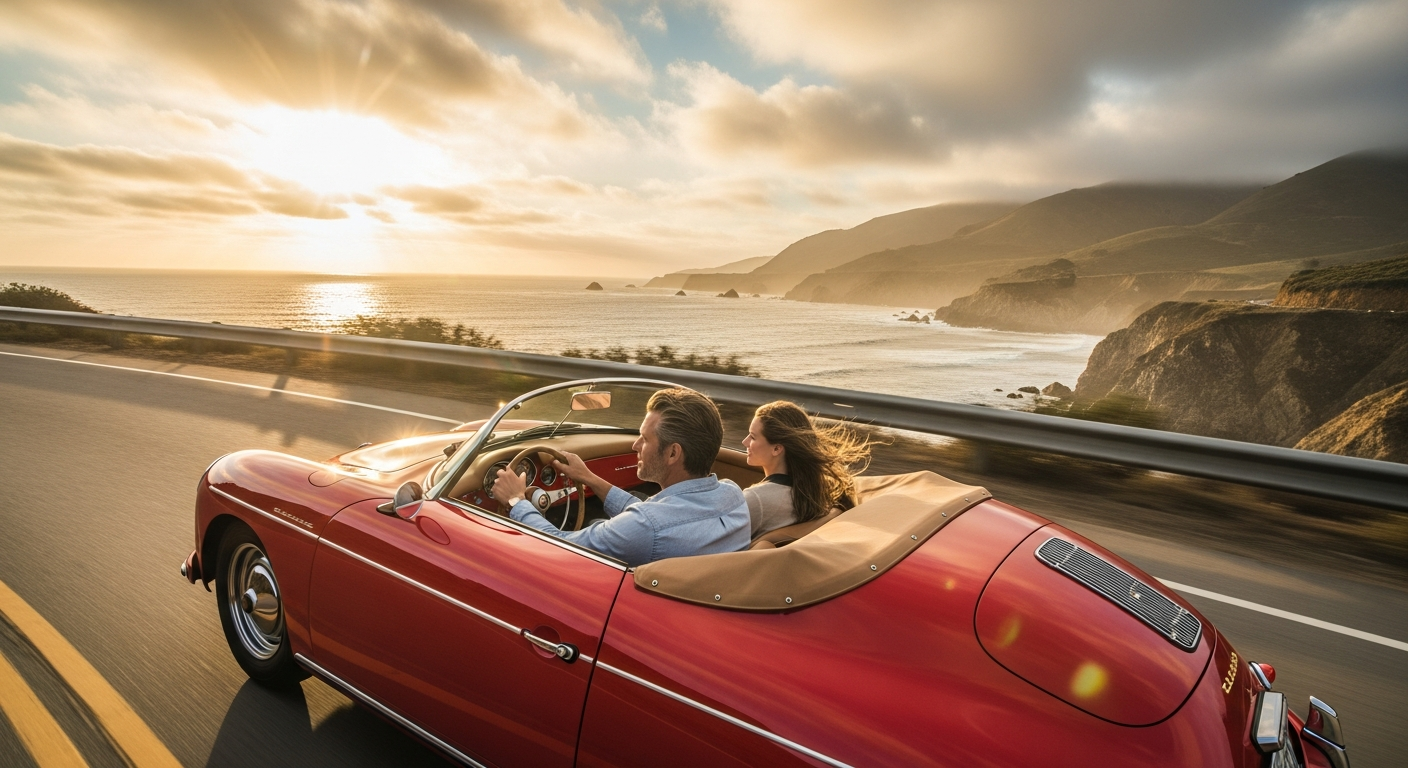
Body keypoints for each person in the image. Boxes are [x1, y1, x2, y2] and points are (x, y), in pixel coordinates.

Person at [490, 387, 750, 567]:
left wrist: (516, 500)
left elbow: (559, 545)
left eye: (645, 439)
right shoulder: (733, 495)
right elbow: (658, 517)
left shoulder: (646, 528)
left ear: (673, 453)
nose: (635, 446)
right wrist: (590, 478)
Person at [740, 401, 872, 538]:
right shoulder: (820, 494)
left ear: (777, 449)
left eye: (753, 437)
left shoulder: (755, 499)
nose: (745, 442)